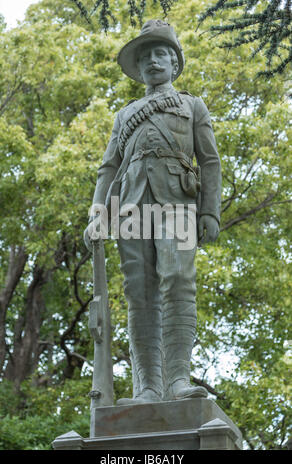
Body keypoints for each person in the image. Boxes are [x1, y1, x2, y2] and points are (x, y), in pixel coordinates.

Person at [84, 19, 222, 405]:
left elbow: (209, 161)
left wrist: (209, 213)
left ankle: (178, 380)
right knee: (138, 292)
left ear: (174, 64)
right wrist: (98, 214)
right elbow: (108, 167)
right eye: (146, 57)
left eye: (161, 54)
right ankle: (148, 387)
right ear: (139, 68)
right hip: (129, 205)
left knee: (178, 279)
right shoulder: (124, 115)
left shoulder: (192, 105)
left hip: (178, 201)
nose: (153, 62)